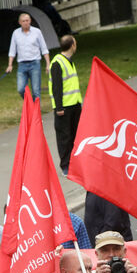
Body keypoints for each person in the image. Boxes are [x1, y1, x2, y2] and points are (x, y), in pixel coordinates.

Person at [49, 35, 81, 174]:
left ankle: (75, 162)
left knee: (75, 135)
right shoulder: (57, 63)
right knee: (64, 137)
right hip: (64, 107)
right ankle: (65, 165)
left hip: (75, 104)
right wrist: (59, 107)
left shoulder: (69, 61)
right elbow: (57, 87)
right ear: (72, 45)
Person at [6, 12, 50, 99]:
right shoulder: (16, 33)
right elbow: (12, 50)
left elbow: (44, 48)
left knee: (36, 91)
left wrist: (48, 64)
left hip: (35, 64)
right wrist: (10, 65)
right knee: (21, 89)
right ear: (20, 22)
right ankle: (30, 104)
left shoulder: (37, 32)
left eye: (27, 20)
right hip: (22, 65)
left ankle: (36, 111)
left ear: (30, 21)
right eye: (23, 21)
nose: (25, 22)